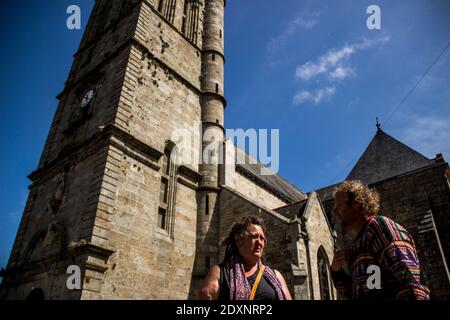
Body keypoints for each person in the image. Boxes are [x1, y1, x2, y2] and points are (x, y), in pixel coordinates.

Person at [331, 180, 430, 300]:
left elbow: (408, 283)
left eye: (338, 207)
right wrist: (336, 270)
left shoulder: (379, 227)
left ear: (355, 203)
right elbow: (358, 293)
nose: (335, 213)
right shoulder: (360, 243)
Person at [198, 216, 292, 300]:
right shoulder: (220, 273)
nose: (259, 242)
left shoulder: (276, 276)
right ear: (239, 241)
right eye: (254, 237)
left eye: (262, 238)